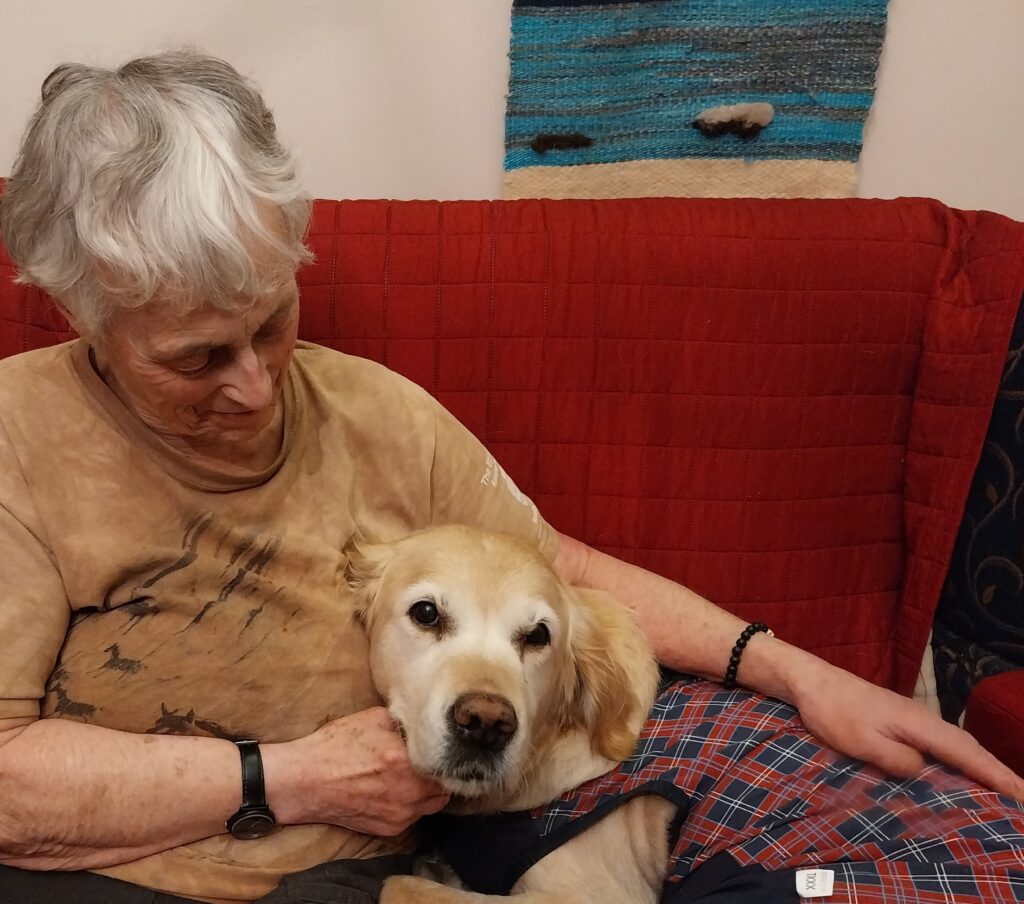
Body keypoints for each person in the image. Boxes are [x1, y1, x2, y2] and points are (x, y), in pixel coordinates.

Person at [0, 51, 1020, 904]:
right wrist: (291, 778)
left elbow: (551, 566)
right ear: (76, 311)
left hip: (352, 874)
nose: (259, 387)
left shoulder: (377, 411)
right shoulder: (19, 438)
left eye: (272, 321)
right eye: (196, 358)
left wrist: (800, 672)